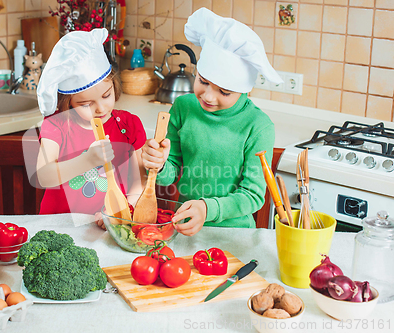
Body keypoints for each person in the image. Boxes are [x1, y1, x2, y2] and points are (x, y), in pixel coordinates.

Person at [142, 8, 283, 236]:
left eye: (224, 92)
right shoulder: (183, 107)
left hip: (235, 234)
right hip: (184, 228)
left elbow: (254, 195)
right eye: (203, 81)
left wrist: (207, 208)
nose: (208, 96)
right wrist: (157, 164)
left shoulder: (258, 126)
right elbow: (172, 170)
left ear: (244, 89)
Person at [35, 28, 146, 229]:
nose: (101, 108)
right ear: (68, 103)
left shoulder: (128, 125)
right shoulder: (57, 125)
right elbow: (44, 176)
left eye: (106, 95)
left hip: (110, 228)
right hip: (59, 227)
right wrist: (87, 160)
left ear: (114, 85)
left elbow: (138, 184)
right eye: (86, 104)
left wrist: (122, 212)